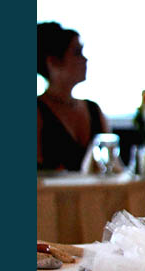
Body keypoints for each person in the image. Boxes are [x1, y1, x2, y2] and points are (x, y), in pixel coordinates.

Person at [37, 22, 111, 171]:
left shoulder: (93, 109)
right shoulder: (38, 111)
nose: (85, 59)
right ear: (52, 62)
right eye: (77, 52)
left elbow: (111, 166)